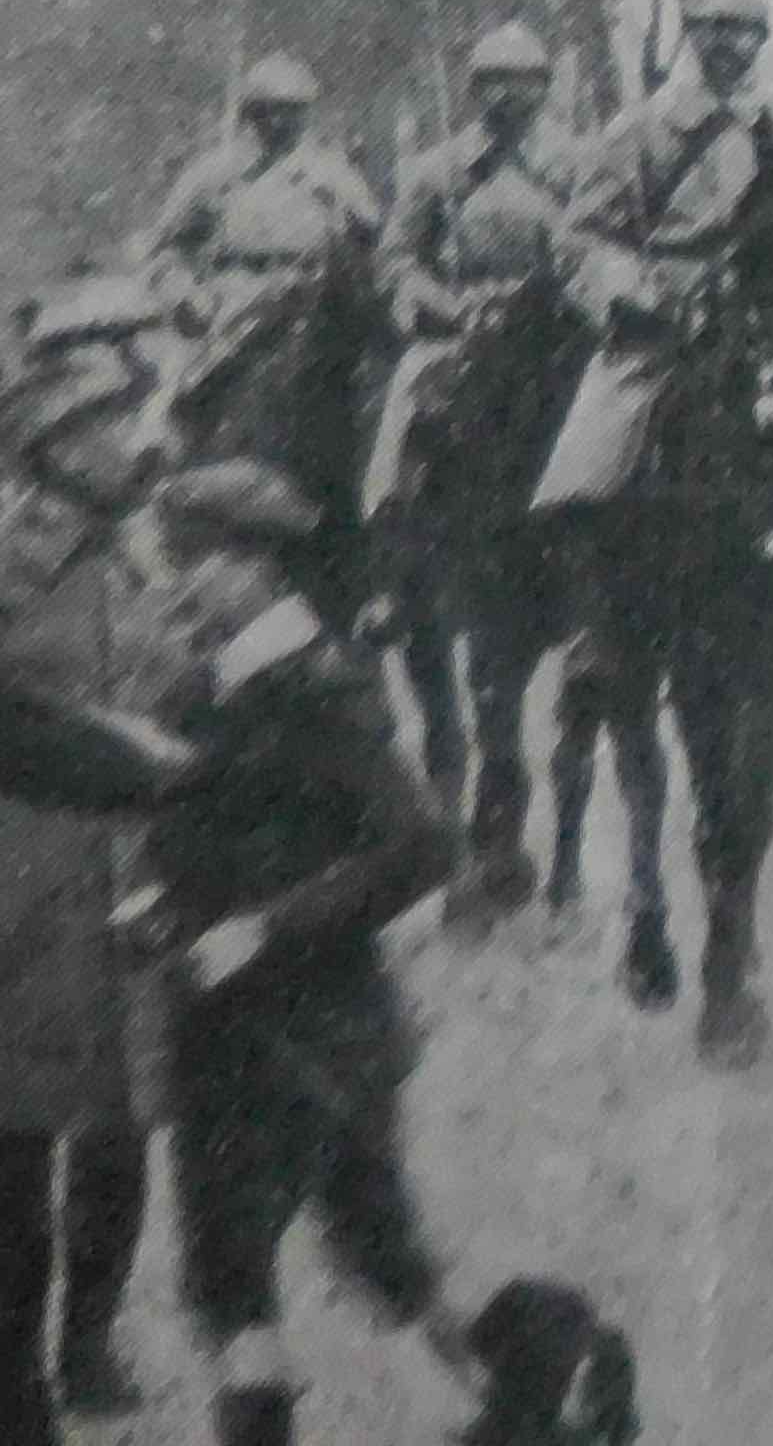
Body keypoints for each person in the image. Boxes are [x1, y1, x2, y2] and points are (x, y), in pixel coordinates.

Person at [131, 461, 478, 1446]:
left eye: (199, 561)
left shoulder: (324, 686)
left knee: (376, 1258)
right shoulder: (199, 685)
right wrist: (155, 899)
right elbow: (186, 830)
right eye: (176, 560)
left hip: (323, 1031)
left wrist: (267, 928)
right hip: (223, 1031)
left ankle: (521, 1400)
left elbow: (419, 844)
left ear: (260, 566)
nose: (180, 581)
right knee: (236, 1278)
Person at [544, 0, 773, 1031]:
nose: (731, 47)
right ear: (689, 35)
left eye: (746, 31)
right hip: (662, 331)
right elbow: (579, 239)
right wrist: (637, 291)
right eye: (714, 30)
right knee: (594, 447)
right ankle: (597, 632)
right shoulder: (638, 133)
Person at [0, 287, 184, 1444]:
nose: (140, 439)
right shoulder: (8, 557)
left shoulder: (152, 555)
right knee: (17, 1141)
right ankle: (14, 1381)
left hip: (137, 882)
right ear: (61, 441)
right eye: (115, 420)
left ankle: (90, 1341)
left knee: (125, 1122)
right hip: (23, 881)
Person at [363, 25, 586, 926]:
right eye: (493, 81)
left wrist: (577, 289)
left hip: (562, 330)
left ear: (545, 88)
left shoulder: (576, 162)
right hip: (461, 334)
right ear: (473, 90)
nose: (508, 96)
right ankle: (394, 560)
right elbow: (395, 258)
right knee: (406, 410)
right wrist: (435, 301)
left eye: (524, 81)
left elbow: (612, 235)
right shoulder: (437, 172)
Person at [138, 59, 383, 575]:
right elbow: (163, 252)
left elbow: (372, 244)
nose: (281, 122)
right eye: (269, 111)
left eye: (293, 111)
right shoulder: (213, 176)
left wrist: (352, 223)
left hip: (316, 310)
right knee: (191, 411)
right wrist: (185, 296)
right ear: (249, 114)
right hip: (233, 311)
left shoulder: (333, 174)